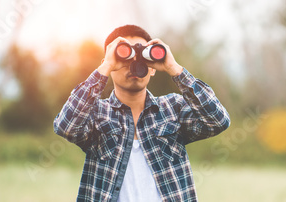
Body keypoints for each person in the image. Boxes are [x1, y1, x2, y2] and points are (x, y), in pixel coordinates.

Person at [53, 24, 231, 202]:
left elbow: (218, 120)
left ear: (152, 68)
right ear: (109, 64)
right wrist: (106, 66)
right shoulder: (97, 113)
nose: (133, 65)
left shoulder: (172, 108)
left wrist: (173, 67)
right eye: (124, 55)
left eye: (142, 57)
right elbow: (66, 126)